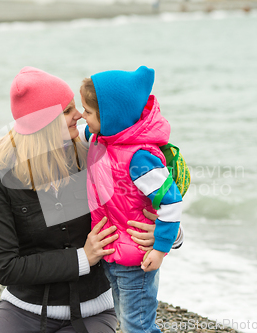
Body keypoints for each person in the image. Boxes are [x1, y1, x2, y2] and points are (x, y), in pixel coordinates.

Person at [0, 67, 181, 333]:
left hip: (93, 310)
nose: (79, 115)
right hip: (23, 309)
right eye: (67, 111)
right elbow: (5, 266)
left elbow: (152, 202)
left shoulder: (96, 152)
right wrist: (83, 257)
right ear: (43, 124)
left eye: (76, 107)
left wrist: (166, 236)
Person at [78, 66, 183, 333]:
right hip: (114, 254)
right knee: (127, 322)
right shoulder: (102, 138)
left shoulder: (139, 158)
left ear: (110, 116)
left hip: (138, 259)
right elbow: (74, 135)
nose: (82, 117)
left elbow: (171, 203)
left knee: (138, 326)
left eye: (87, 112)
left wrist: (161, 248)